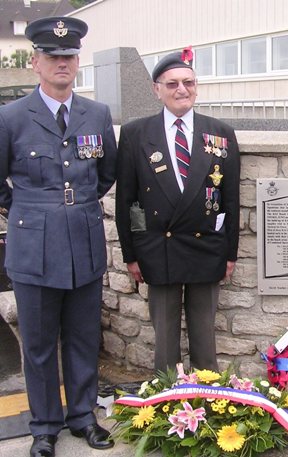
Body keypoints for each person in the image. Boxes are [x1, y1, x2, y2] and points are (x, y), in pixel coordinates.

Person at [0, 16, 117, 457]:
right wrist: (30, 211)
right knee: (39, 342)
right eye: (52, 56)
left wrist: (73, 208)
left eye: (68, 56)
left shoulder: (97, 114)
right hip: (33, 246)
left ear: (77, 61)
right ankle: (44, 426)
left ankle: (84, 416)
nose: (61, 63)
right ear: (36, 62)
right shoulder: (10, 117)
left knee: (85, 335)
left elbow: (105, 174)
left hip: (83, 241)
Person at [115, 47, 240, 373]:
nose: (181, 89)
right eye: (172, 84)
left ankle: (207, 400)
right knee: (166, 343)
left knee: (204, 339)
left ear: (196, 86)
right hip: (159, 247)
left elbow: (229, 200)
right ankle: (168, 404)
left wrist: (229, 253)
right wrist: (132, 253)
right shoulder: (135, 134)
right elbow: (129, 201)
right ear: (157, 89)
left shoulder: (221, 134)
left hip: (206, 247)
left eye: (188, 82)